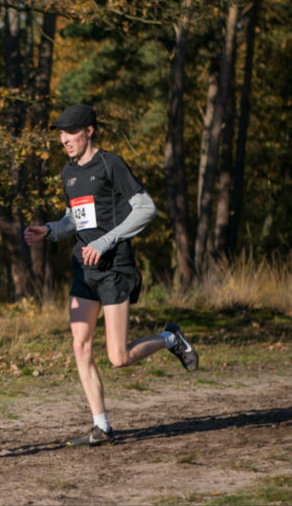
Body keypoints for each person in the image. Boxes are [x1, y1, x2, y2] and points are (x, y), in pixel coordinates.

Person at [23, 104, 199, 447]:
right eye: (60, 133)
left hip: (114, 268)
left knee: (118, 358)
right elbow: (75, 220)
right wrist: (49, 230)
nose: (63, 139)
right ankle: (101, 425)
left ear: (89, 131)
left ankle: (170, 339)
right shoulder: (68, 173)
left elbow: (147, 208)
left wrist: (105, 242)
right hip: (83, 268)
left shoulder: (111, 164)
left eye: (70, 132)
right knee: (80, 345)